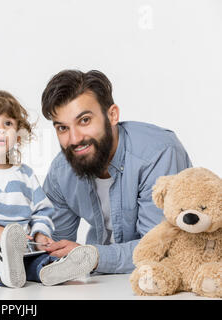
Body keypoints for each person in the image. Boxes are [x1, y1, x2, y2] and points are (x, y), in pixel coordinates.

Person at [40, 69, 192, 274]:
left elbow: (159, 249)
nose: (74, 139)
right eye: (62, 128)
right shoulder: (61, 172)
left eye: (84, 120)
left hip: (166, 279)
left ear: (112, 115)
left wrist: (91, 257)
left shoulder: (158, 154)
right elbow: (55, 247)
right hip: (100, 284)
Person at [0, 90, 98, 288]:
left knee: (34, 257)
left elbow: (42, 210)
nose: (0, 130)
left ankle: (51, 269)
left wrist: (40, 234)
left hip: (19, 247)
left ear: (18, 135)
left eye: (8, 124)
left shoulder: (25, 174)